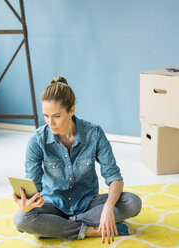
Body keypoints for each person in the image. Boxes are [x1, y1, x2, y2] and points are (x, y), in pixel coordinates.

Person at [12, 76, 142, 244]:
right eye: (46, 115)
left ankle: (55, 229)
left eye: (57, 116)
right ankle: (89, 230)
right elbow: (34, 186)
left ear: (71, 110)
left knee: (132, 202)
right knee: (21, 219)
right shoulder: (37, 141)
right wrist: (26, 202)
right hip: (53, 206)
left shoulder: (94, 134)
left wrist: (108, 208)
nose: (50, 122)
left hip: (89, 203)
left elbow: (114, 177)